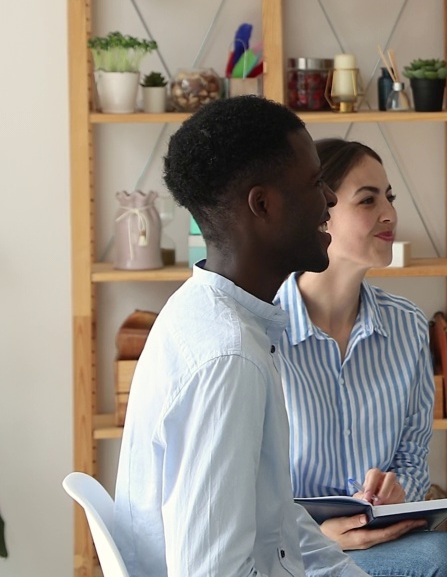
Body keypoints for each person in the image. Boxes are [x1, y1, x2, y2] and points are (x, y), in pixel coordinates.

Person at [113, 96, 367, 576]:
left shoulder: (208, 312)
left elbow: (278, 521)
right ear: (263, 204)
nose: (330, 199)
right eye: (316, 183)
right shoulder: (229, 359)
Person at [274, 138, 447, 577]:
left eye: (388, 197)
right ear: (318, 211)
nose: (389, 214)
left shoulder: (406, 327)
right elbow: (245, 485)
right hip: (292, 551)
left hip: (385, 544)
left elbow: (412, 456)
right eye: (368, 200)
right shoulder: (264, 333)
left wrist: (398, 491)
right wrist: (318, 535)